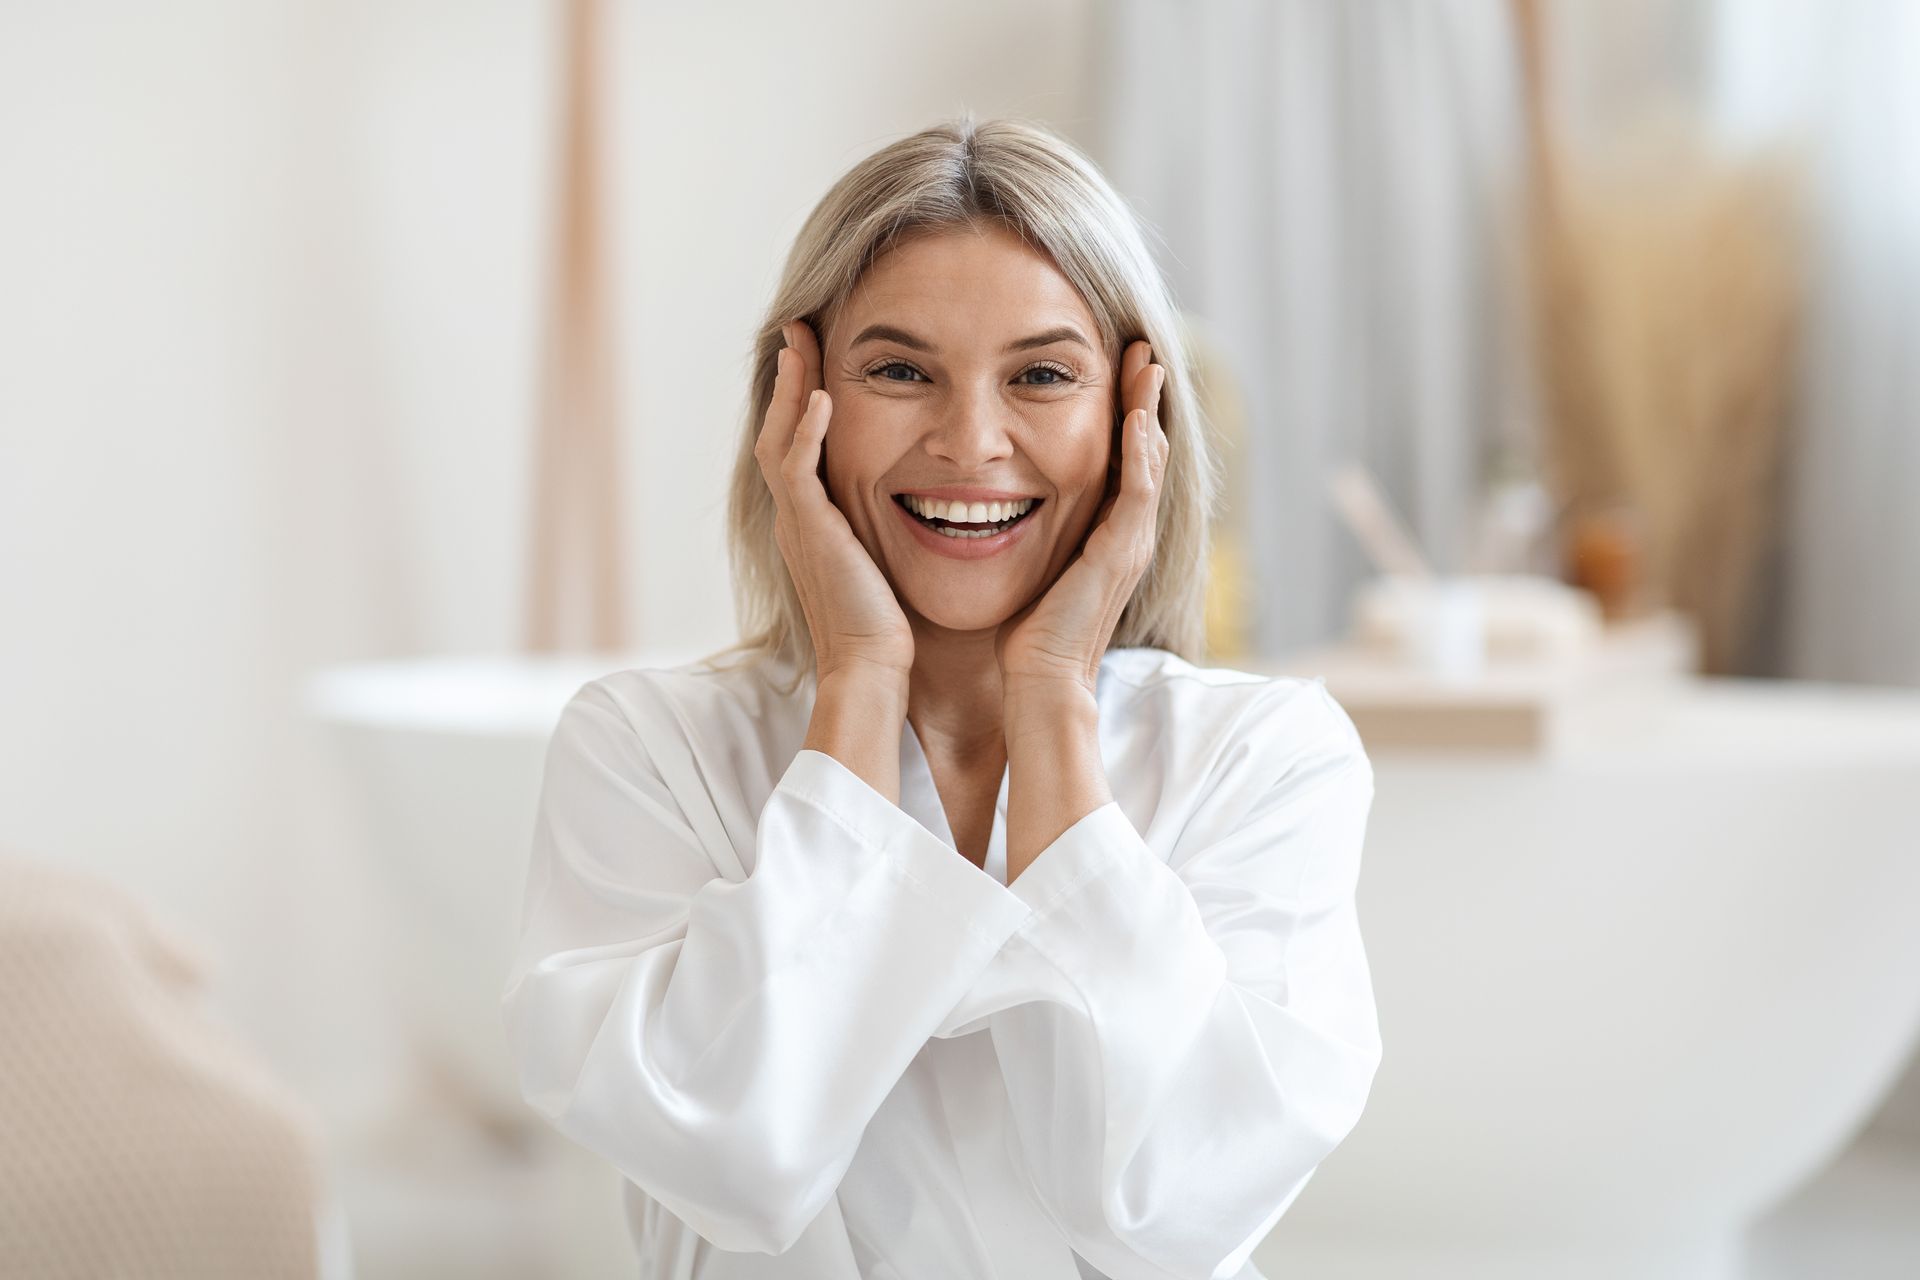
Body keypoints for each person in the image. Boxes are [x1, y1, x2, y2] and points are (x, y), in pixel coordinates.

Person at [500, 115, 1381, 1280]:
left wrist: (1055, 699)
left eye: (1042, 374)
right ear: (796, 399)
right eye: (901, 371)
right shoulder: (649, 750)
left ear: (1136, 416)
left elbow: (1171, 1197)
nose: (972, 442)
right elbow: (732, 1154)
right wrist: (859, 680)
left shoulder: (1263, 757)